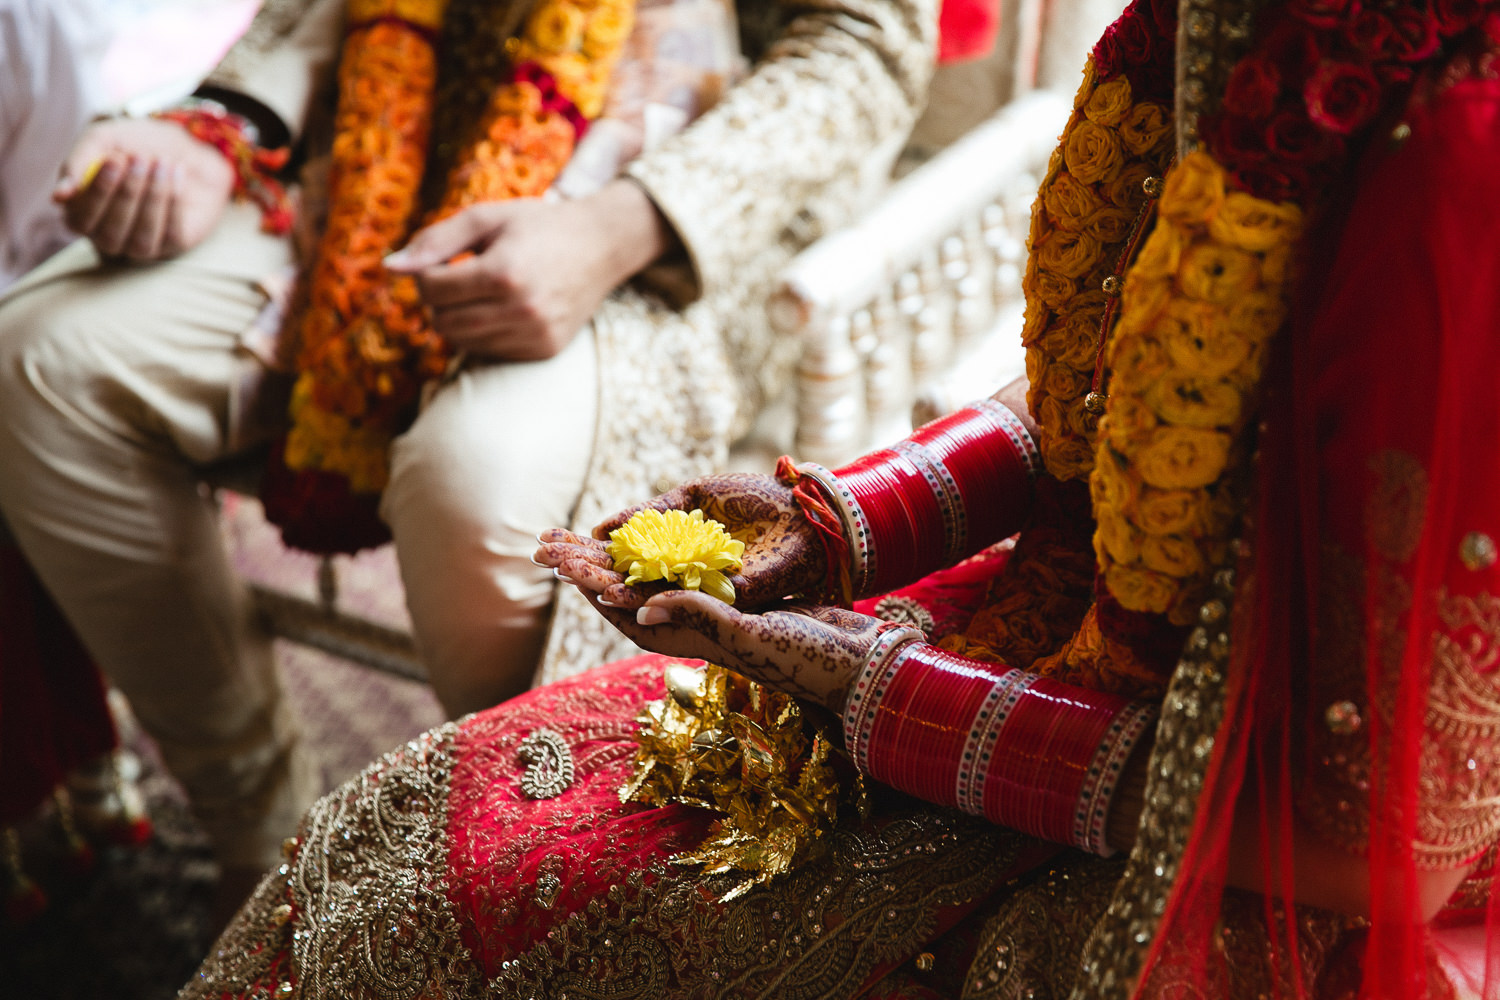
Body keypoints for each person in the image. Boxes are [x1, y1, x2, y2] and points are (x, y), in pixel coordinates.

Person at [179, 0, 1500, 996]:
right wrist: (852, 523)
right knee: (390, 825)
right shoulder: (1260, 29)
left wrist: (862, 689)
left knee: (472, 905)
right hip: (1089, 638)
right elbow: (1137, 401)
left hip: (1263, 848)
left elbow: (1375, 851)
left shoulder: (1456, 157)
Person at [0, 0, 938, 887]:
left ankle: (505, 869)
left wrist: (618, 227)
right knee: (43, 362)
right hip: (379, 138)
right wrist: (230, 116)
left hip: (670, 205)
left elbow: (863, 40)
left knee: (475, 480)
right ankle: (263, 831)